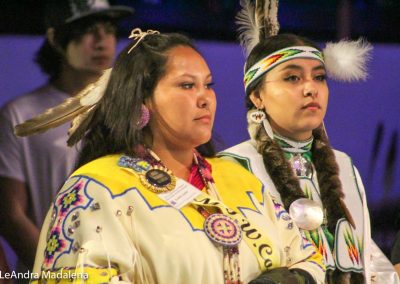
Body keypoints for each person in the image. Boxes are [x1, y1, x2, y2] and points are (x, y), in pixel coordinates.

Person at [24, 29, 326, 283]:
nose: (204, 97)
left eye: (208, 85)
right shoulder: (96, 189)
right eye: (186, 85)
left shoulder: (238, 180)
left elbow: (307, 256)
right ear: (143, 100)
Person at [219, 1, 399, 283]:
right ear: (257, 97)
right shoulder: (231, 167)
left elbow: (364, 260)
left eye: (319, 77)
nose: (310, 88)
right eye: (291, 77)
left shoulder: (344, 166)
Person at [0, 0, 133, 276]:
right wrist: (58, 271)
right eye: (87, 29)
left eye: (108, 29)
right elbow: (11, 215)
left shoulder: (131, 110)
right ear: (55, 38)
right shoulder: (21, 114)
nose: (102, 40)